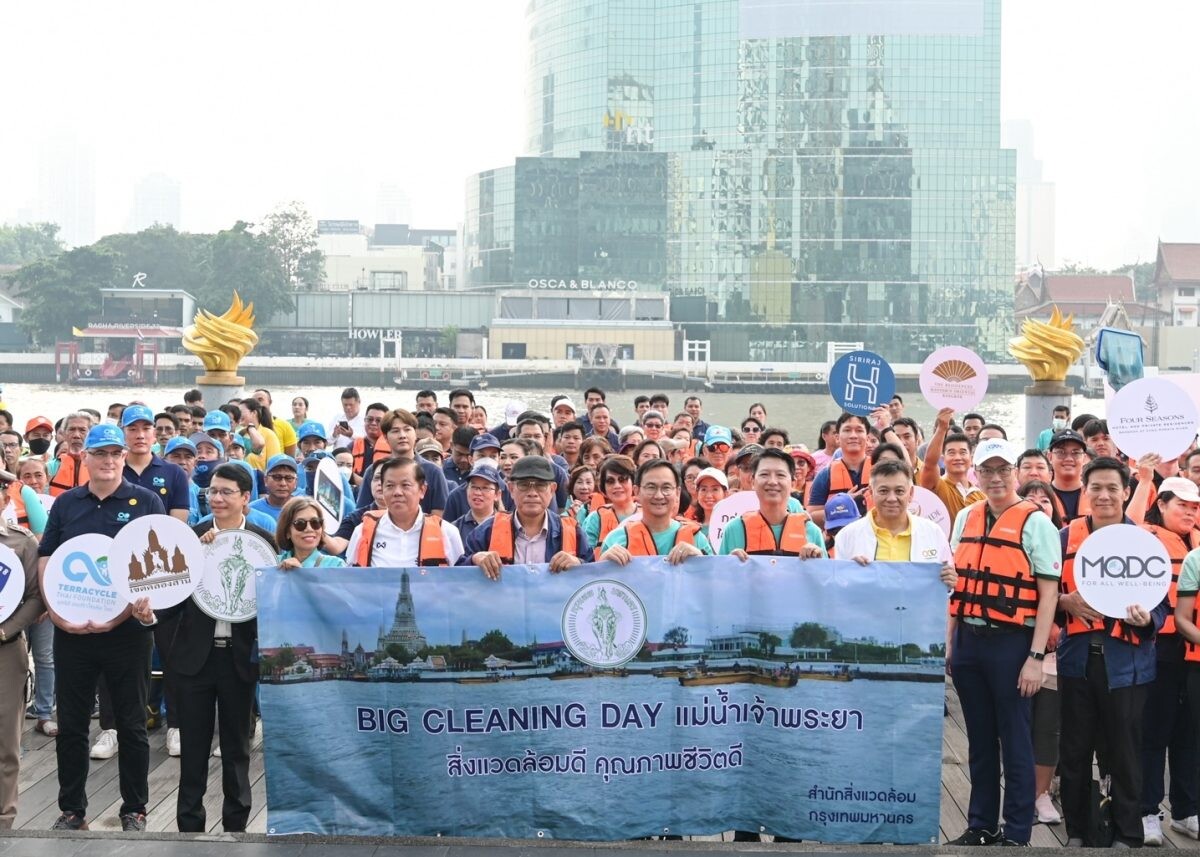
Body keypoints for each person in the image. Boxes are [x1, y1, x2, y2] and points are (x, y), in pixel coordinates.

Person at [38, 423, 166, 832]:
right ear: (84, 458)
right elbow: (46, 557)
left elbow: (155, 568)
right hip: (72, 630)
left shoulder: (145, 501)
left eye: (115, 453)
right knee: (73, 724)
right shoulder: (66, 503)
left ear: (124, 457)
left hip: (127, 633)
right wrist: (55, 612)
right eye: (100, 454)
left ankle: (135, 808)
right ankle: (72, 809)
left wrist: (119, 616)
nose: (108, 461)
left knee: (130, 724)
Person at [946, 438, 1060, 847]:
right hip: (970, 643)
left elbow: (1049, 593)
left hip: (1014, 643)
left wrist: (1035, 655)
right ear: (976, 475)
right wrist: (950, 643)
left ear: (1015, 472)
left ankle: (1016, 833)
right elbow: (958, 586)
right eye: (987, 470)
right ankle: (980, 825)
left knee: (1015, 739)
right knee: (978, 738)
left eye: (1002, 470)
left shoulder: (1037, 523)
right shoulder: (965, 518)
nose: (995, 478)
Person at [151, 463, 274, 832]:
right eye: (212, 492)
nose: (217, 498)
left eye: (226, 492)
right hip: (193, 659)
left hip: (238, 659)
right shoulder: (192, 537)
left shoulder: (262, 542)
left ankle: (236, 828)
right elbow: (168, 601)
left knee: (237, 749)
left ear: (245, 498)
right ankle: (189, 828)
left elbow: (269, 601)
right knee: (193, 750)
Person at [1057, 457, 1164, 848]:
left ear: (1126, 492)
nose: (1104, 495)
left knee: (1125, 751)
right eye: (1096, 488)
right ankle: (1077, 831)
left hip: (1128, 665)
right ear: (1085, 492)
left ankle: (1129, 833)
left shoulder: (1144, 542)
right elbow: (1043, 596)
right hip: (1076, 661)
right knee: (1074, 750)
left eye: (1112, 488)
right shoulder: (1064, 536)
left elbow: (1162, 606)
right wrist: (1064, 601)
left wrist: (1146, 619)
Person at [1139, 476, 1200, 845]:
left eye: (1195, 507)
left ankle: (1186, 809)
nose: (1191, 513)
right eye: (1183, 505)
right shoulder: (1143, 538)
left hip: (1193, 650)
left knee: (1190, 732)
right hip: (1157, 646)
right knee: (1153, 731)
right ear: (1161, 504)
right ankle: (1147, 810)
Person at [462, 456, 592, 578]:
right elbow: (457, 575)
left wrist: (579, 564)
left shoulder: (572, 531)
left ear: (552, 490)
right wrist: (474, 560)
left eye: (540, 485)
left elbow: (595, 574)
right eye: (524, 485)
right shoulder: (487, 531)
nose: (532, 493)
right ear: (511, 489)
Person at [834, 458, 956, 585]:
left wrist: (949, 582)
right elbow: (838, 588)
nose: (891, 498)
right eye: (883, 491)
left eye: (899, 491)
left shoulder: (933, 533)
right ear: (871, 492)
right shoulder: (847, 536)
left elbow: (946, 586)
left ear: (911, 493)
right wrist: (847, 575)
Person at [0, 514, 42, 829]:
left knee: (5, 742)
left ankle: (3, 821)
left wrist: (5, 630)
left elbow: (35, 597)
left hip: (5, 648)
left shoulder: (22, 541)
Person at [347, 458, 463, 567]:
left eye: (405, 485)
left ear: (422, 490)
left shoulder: (447, 532)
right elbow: (351, 580)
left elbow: (460, 580)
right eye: (390, 486)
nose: (397, 492)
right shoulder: (362, 532)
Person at [599, 459, 712, 564]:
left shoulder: (697, 539)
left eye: (666, 488)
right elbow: (598, 583)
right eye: (651, 487)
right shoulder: (616, 540)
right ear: (637, 492)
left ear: (677, 493)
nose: (659, 495)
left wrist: (701, 562)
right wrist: (603, 564)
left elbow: (714, 581)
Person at [722, 448, 825, 559]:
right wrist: (729, 565)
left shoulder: (812, 531)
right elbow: (719, 575)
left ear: (793, 483)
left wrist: (817, 563)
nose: (772, 481)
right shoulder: (733, 530)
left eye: (780, 475)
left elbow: (827, 575)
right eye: (764, 474)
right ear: (752, 481)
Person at [920, 409, 986, 521]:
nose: (957, 457)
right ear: (943, 458)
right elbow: (929, 464)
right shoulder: (938, 486)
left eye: (963, 452)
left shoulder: (981, 496)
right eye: (951, 452)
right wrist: (941, 428)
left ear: (971, 458)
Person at [807, 413, 871, 524]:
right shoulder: (825, 475)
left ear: (868, 437)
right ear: (837, 437)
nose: (853, 435)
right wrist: (843, 503)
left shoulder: (881, 471)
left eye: (859, 430)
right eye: (847, 430)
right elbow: (811, 516)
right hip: (839, 538)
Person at [583, 455, 639, 549]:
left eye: (622, 480)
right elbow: (586, 558)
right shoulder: (595, 519)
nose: (617, 485)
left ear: (633, 483)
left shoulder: (648, 515)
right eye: (610, 481)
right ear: (603, 487)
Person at [277, 496, 347, 569]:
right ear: (287, 532)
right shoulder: (272, 563)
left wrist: (301, 574)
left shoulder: (336, 565)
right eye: (300, 523)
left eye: (315, 522)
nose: (309, 529)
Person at [451, 462, 505, 543]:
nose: (478, 493)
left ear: (497, 495)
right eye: (473, 487)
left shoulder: (507, 525)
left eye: (485, 488)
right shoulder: (454, 528)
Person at [1049, 430, 1090, 522]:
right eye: (1061, 452)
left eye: (1075, 453)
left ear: (1084, 458)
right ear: (1050, 457)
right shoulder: (1041, 497)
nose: (1068, 458)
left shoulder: (1095, 496)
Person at [250, 454, 300, 522]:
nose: (283, 483)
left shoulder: (303, 509)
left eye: (289, 478)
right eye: (277, 477)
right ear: (265, 480)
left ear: (296, 482)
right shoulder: (252, 510)